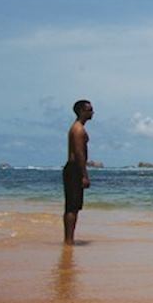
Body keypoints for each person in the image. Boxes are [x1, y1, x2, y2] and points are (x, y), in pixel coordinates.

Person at [63, 99, 93, 245]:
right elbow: (79, 153)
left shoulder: (77, 128)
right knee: (72, 207)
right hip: (74, 169)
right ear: (81, 111)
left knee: (73, 207)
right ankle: (68, 240)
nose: (92, 112)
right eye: (89, 110)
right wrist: (84, 175)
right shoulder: (78, 129)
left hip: (74, 169)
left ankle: (69, 239)